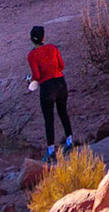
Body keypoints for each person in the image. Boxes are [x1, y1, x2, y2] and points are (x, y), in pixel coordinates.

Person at [26, 24, 75, 160]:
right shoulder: (53, 48)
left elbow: (36, 75)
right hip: (60, 82)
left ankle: (51, 151)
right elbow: (61, 66)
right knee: (63, 112)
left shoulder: (32, 55)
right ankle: (69, 141)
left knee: (49, 119)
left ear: (32, 39)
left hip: (47, 88)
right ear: (43, 38)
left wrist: (29, 80)